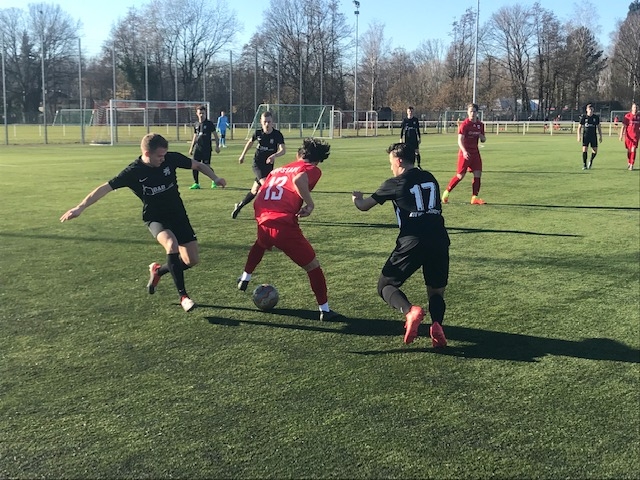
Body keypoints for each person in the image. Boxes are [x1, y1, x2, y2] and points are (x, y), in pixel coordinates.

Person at [60, 133, 227, 312]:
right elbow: (105, 188)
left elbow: (198, 165)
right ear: (147, 154)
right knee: (171, 245)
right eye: (159, 156)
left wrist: (215, 178)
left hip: (178, 215)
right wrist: (80, 207)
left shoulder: (171, 159)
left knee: (192, 260)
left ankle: (158, 271)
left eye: (164, 155)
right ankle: (183, 297)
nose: (163, 159)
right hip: (155, 217)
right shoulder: (134, 171)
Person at [351, 142, 449, 347]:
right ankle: (437, 325)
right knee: (436, 290)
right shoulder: (430, 177)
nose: (391, 168)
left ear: (399, 161)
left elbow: (364, 206)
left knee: (385, 286)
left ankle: (410, 311)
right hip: (439, 238)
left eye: (391, 163)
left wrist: (357, 198)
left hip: (412, 241)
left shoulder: (395, 182)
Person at [236, 138, 340, 321]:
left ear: (299, 154)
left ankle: (245, 276)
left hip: (263, 218)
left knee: (261, 243)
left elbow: (261, 189)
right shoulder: (310, 168)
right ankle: (325, 310)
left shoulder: (277, 170)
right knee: (313, 267)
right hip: (283, 224)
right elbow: (299, 179)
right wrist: (310, 204)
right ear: (317, 160)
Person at [232, 111, 286, 219]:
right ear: (261, 122)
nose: (267, 124)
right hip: (257, 164)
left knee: (254, 191)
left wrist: (274, 155)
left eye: (269, 122)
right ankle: (271, 212)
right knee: (267, 186)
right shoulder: (258, 133)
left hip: (269, 166)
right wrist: (242, 155)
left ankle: (239, 205)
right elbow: (250, 142)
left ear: (272, 122)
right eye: (265, 122)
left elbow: (283, 150)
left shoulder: (277, 135)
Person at [441, 103, 487, 205]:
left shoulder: (480, 125)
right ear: (467, 112)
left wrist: (482, 137)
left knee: (478, 174)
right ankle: (446, 192)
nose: (472, 113)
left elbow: (483, 139)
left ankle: (474, 198)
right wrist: (464, 151)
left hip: (475, 153)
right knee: (460, 176)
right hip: (465, 153)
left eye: (474, 111)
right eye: (470, 111)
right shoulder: (465, 125)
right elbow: (460, 140)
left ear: (477, 112)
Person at [188, 105, 220, 189]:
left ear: (205, 113)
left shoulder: (209, 124)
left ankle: (214, 180)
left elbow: (215, 136)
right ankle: (196, 183)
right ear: (197, 113)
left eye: (203, 113)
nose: (201, 115)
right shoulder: (196, 124)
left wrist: (217, 146)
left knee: (206, 166)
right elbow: (195, 136)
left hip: (206, 149)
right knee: (194, 165)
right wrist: (191, 148)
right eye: (200, 113)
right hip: (197, 148)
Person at [576, 103, 603, 170]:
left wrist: (600, 136)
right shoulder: (584, 117)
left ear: (593, 110)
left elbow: (599, 127)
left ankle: (590, 161)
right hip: (586, 136)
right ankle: (584, 165)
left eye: (591, 109)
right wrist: (579, 136)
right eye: (589, 109)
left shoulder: (596, 117)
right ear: (587, 110)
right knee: (584, 149)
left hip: (593, 136)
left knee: (595, 151)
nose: (590, 110)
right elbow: (579, 127)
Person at [619, 103, 640, 171]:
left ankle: (631, 165)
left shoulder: (639, 116)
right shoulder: (627, 116)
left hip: (636, 136)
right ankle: (629, 162)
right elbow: (623, 126)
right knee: (629, 150)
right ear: (632, 108)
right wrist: (621, 135)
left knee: (633, 149)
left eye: (636, 107)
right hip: (628, 137)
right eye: (634, 107)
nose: (635, 109)